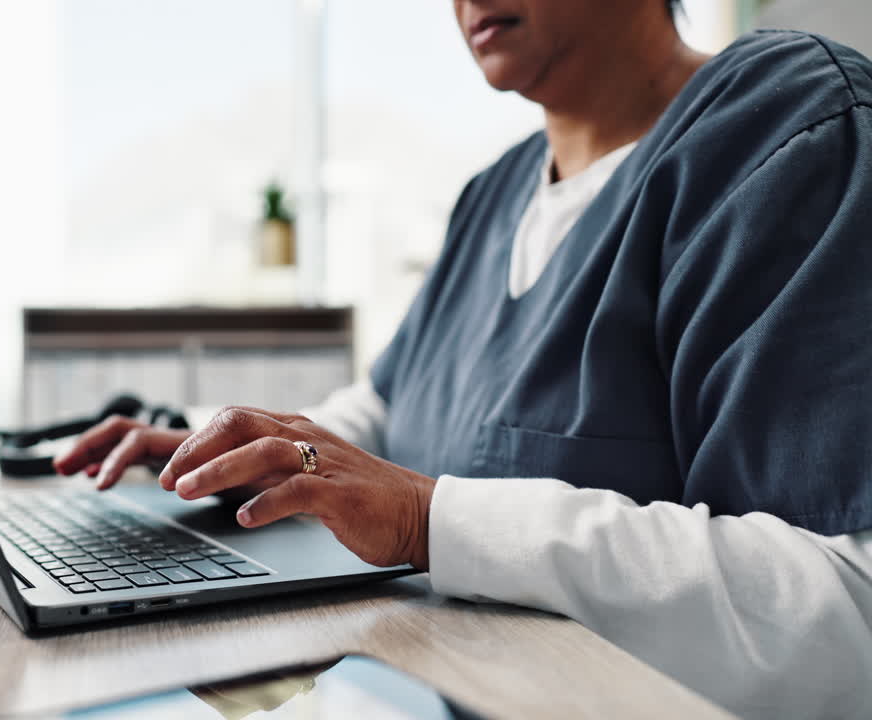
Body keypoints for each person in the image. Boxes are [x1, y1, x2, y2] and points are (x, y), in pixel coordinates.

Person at [55, 1, 872, 716]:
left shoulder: (791, 130)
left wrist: (427, 519)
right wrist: (248, 455)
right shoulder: (492, 195)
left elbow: (851, 611)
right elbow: (392, 405)